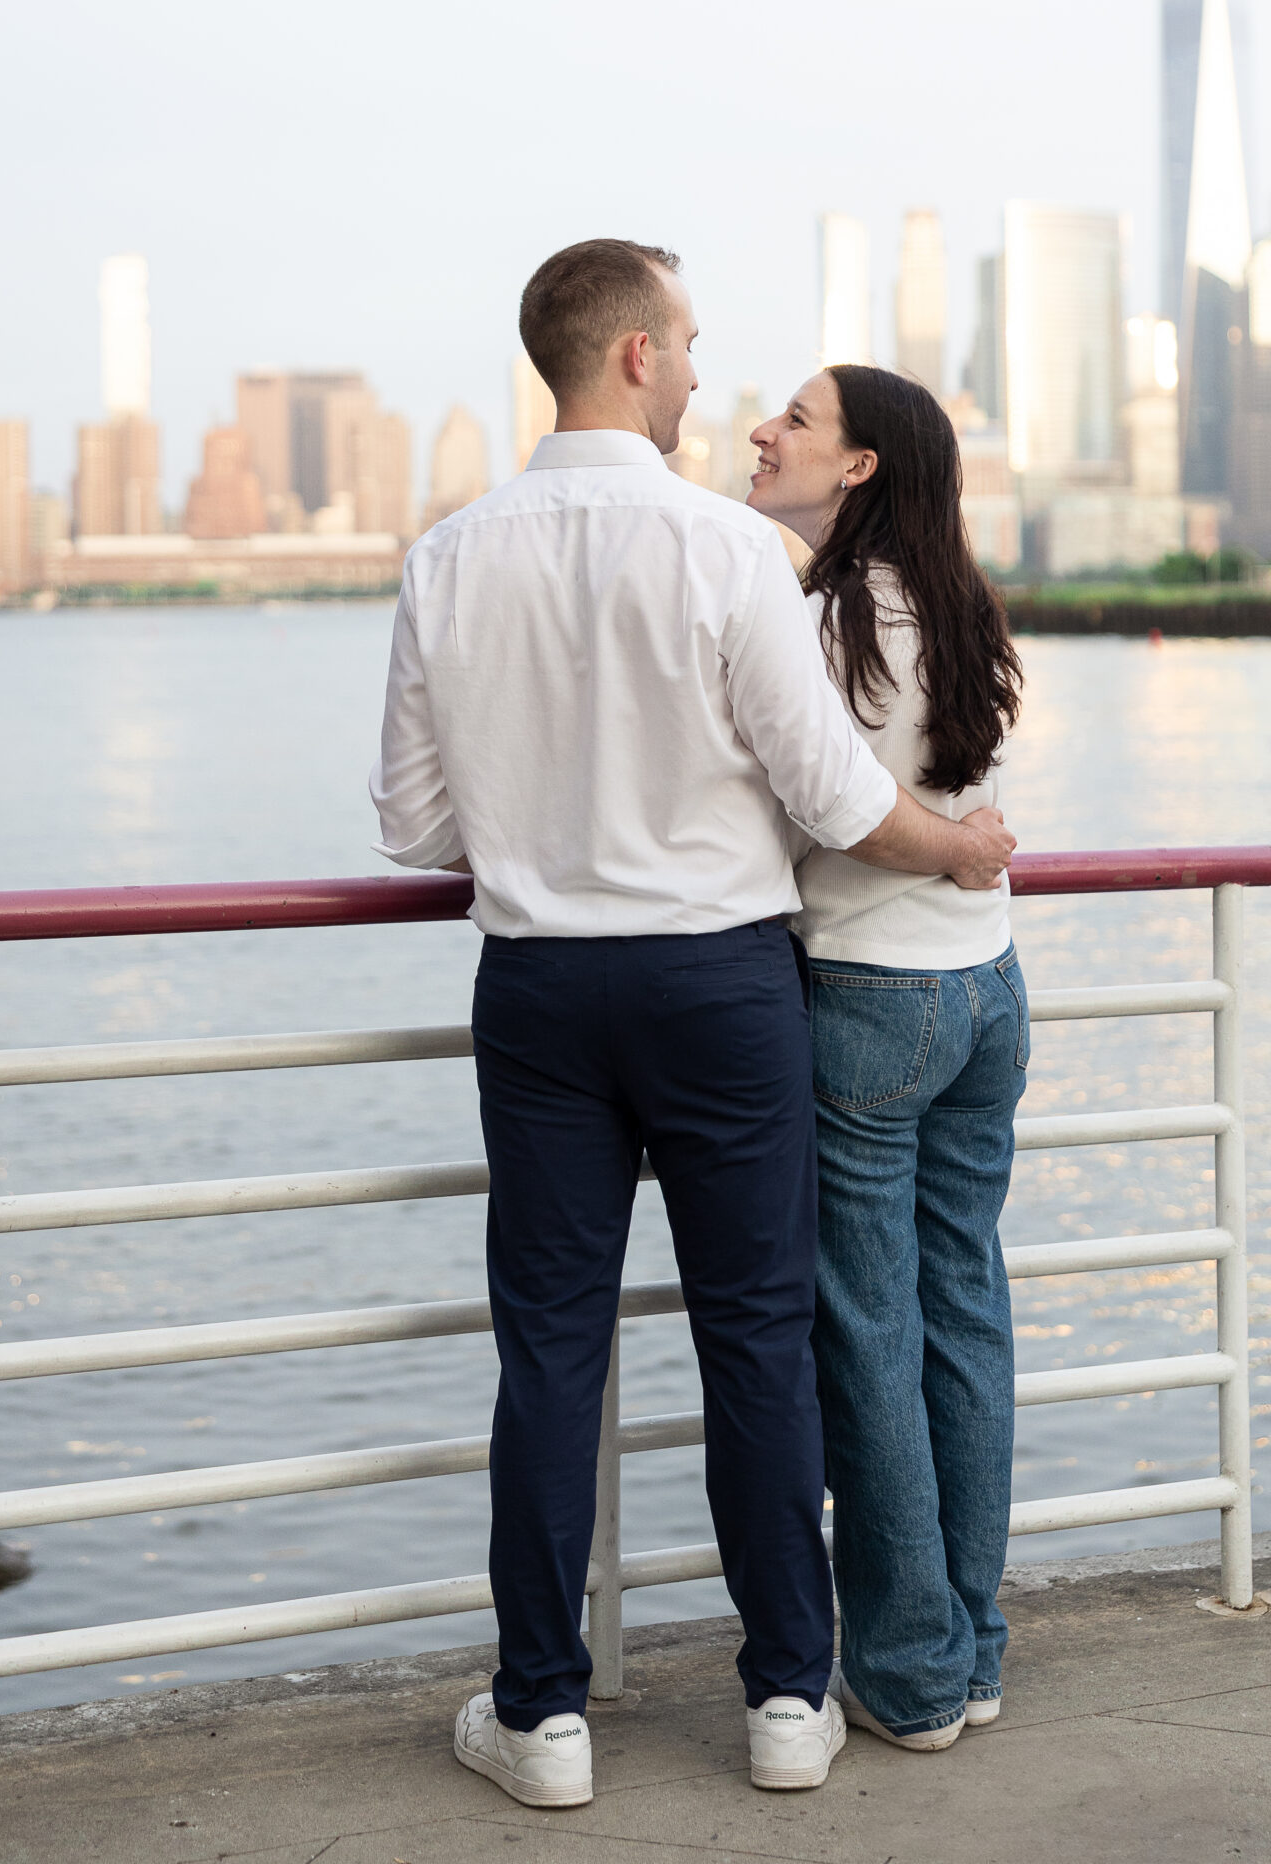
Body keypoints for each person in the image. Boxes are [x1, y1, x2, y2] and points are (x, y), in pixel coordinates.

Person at [370, 241, 1016, 1812]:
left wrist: (545, 823)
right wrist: (956, 847)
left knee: (550, 1351)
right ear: (638, 356)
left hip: (540, 988)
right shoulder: (730, 552)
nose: (710, 376)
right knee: (758, 1340)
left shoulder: (447, 557)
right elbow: (832, 795)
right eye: (695, 343)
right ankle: (788, 1698)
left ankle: (543, 1718)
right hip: (723, 987)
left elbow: (412, 827)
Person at [747, 363, 1026, 1754]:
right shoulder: (964, 605)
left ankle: (911, 1680)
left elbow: (827, 810)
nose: (765, 430)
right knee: (963, 1311)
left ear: (858, 467)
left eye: (797, 420)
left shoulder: (816, 621)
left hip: (868, 995)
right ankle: (971, 1654)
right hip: (987, 990)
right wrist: (962, 848)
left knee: (868, 1336)